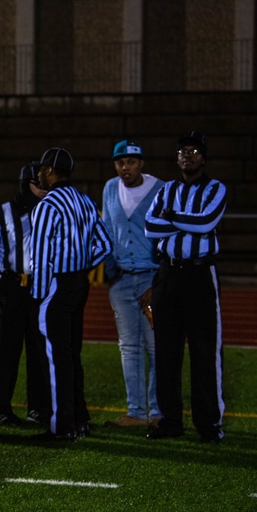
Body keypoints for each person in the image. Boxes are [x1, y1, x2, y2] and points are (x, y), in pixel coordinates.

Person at [144, 131, 227, 444]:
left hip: (199, 276)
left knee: (205, 352)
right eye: (182, 151)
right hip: (168, 275)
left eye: (193, 151)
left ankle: (208, 424)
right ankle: (171, 420)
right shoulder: (167, 189)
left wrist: (173, 218)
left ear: (203, 158)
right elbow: (150, 227)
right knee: (166, 352)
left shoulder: (215, 188)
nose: (187, 156)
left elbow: (206, 222)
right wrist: (183, 221)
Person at [30, 147, 113, 441]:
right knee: (71, 354)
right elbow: (104, 245)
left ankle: (61, 426)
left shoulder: (48, 205)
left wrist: (38, 295)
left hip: (57, 286)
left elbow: (40, 257)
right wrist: (80, 265)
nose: (39, 173)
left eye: (41, 168)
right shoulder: (85, 201)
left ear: (50, 171)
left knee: (57, 358)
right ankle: (80, 418)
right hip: (80, 283)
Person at [0, 161, 49, 427]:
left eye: (45, 184)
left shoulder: (51, 212)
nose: (42, 189)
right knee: (9, 350)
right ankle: (2, 408)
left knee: (39, 350)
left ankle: (38, 408)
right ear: (24, 183)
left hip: (41, 288)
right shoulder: (2, 214)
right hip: (13, 286)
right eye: (37, 184)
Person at [101, 140, 166, 428]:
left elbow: (168, 235)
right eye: (120, 162)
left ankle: (159, 411)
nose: (125, 167)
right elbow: (106, 230)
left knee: (155, 346)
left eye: (130, 161)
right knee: (129, 346)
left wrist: (162, 280)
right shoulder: (109, 188)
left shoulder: (161, 189)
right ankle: (137, 411)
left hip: (153, 277)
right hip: (122, 279)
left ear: (142, 163)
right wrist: (110, 269)